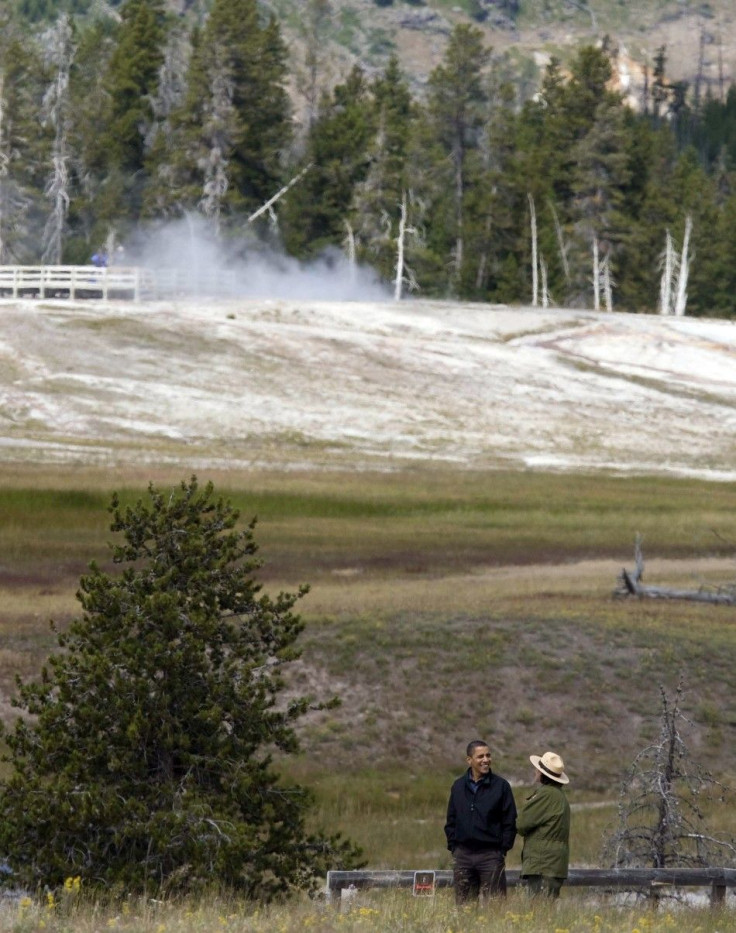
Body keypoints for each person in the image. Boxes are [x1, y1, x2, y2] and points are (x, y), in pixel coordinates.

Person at [444, 739, 517, 904]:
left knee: (495, 906)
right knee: (465, 907)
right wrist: (454, 847)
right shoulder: (458, 786)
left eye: (488, 755)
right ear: (469, 760)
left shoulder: (501, 786)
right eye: (480, 756)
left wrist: (501, 850)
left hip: (490, 856)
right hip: (462, 855)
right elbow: (451, 819)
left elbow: (510, 820)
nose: (486, 760)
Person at [517, 750, 571, 899]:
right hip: (554, 864)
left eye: (538, 769)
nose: (535, 771)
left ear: (542, 774)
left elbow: (521, 824)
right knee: (546, 909)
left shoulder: (546, 794)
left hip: (543, 864)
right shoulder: (559, 796)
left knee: (538, 909)